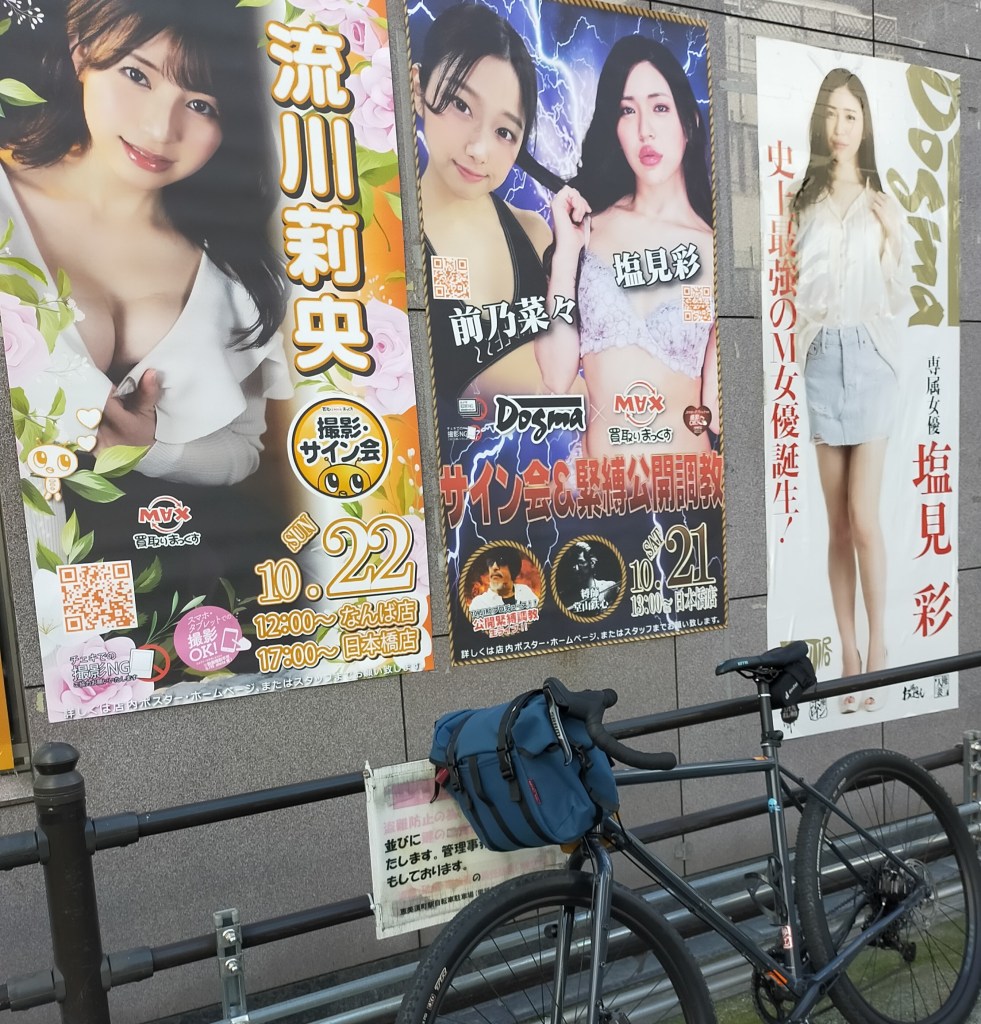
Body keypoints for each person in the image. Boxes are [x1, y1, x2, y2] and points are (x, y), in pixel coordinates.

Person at [0, 0, 291, 487]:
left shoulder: (236, 270)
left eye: (201, 105)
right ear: (81, 49)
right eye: (137, 75)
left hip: (153, 531)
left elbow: (242, 449)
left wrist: (149, 449)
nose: (160, 129)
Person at [538, 35, 718, 459]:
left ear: (689, 122)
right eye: (627, 110)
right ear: (614, 128)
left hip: (687, 485)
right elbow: (556, 375)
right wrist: (566, 256)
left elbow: (715, 411)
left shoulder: (713, 251)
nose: (644, 130)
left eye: (660, 108)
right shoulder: (590, 227)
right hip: (601, 488)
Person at [789, 68, 908, 702]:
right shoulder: (801, 200)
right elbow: (793, 285)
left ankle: (880, 643)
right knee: (837, 523)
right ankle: (849, 649)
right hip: (821, 358)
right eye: (832, 114)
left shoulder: (882, 202)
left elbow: (898, 294)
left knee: (864, 516)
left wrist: (893, 236)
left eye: (851, 115)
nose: (840, 127)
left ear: (866, 125)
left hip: (870, 357)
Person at [412, 2, 560, 401]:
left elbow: (558, 378)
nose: (479, 150)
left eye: (504, 132)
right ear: (418, 88)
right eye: (461, 106)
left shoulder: (534, 234)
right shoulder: (387, 233)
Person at [468, 547, 537, 616]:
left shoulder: (525, 592)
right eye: (490, 562)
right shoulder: (479, 605)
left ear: (512, 568)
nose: (494, 567)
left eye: (501, 561)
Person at [561, 541, 619, 614]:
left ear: (591, 563)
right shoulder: (565, 597)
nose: (576, 569)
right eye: (573, 563)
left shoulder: (609, 588)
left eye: (581, 563)